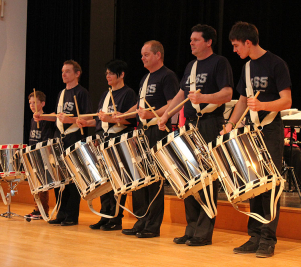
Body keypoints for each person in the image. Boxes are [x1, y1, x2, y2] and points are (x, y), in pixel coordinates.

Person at [158, 24, 233, 246]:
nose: (191, 43)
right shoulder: (191, 66)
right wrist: (167, 115)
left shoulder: (220, 63)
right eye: (190, 39)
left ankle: (204, 231)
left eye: (196, 40)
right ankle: (191, 228)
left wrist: (205, 98)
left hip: (210, 123)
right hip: (189, 126)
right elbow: (181, 93)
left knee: (208, 177)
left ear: (209, 42)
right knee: (189, 176)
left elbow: (227, 93)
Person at [223, 21, 292, 258]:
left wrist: (263, 105)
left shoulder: (276, 63)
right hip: (251, 131)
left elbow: (286, 101)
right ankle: (254, 236)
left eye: (235, 45)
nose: (234, 50)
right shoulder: (248, 68)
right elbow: (242, 100)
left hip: (271, 129)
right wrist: (230, 125)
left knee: (270, 184)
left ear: (248, 42)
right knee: (253, 183)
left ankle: (268, 239)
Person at [115, 40, 179, 238]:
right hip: (142, 132)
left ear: (158, 55)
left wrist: (152, 115)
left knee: (156, 180)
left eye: (146, 55)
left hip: (157, 131)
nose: (142, 58)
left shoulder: (167, 76)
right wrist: (123, 114)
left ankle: (153, 225)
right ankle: (141, 220)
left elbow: (172, 106)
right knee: (142, 179)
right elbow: (140, 108)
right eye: (142, 55)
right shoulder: (144, 78)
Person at [76, 59, 137, 231]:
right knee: (105, 180)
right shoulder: (106, 94)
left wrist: (111, 119)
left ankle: (116, 218)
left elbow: (130, 120)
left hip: (118, 139)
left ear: (121, 74)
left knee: (117, 179)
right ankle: (105, 215)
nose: (108, 76)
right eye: (107, 73)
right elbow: (100, 120)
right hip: (103, 139)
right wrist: (87, 124)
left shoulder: (128, 93)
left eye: (111, 73)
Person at [34, 59, 93, 226]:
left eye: (67, 71)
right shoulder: (61, 93)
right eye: (62, 71)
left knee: (73, 178)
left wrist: (71, 119)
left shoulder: (82, 93)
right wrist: (42, 116)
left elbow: (88, 117)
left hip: (74, 137)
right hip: (59, 138)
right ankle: (61, 212)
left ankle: (71, 216)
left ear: (77, 74)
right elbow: (58, 116)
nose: (63, 74)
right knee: (60, 178)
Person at [25, 91, 55, 219]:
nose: (32, 105)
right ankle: (37, 209)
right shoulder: (32, 119)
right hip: (34, 153)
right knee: (35, 183)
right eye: (30, 103)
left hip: (43, 154)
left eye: (35, 102)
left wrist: (43, 117)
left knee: (42, 183)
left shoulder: (46, 117)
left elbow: (55, 116)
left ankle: (43, 210)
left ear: (42, 103)